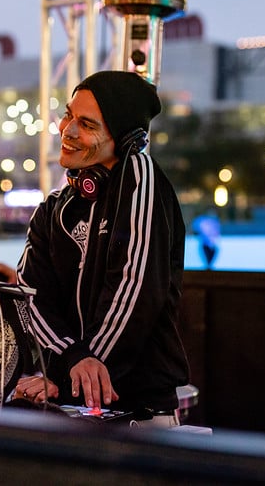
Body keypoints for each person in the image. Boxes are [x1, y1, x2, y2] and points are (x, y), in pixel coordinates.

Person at [15, 70, 190, 426]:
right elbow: (30, 295)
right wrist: (70, 360)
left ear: (124, 139)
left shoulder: (139, 175)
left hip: (139, 410)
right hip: (70, 399)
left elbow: (134, 289)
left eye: (87, 124)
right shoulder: (53, 208)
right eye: (68, 115)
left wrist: (71, 372)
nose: (68, 130)